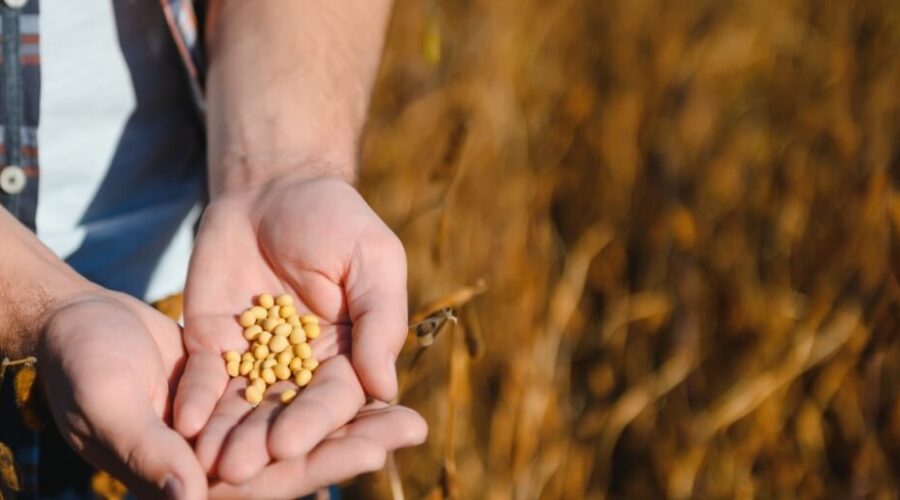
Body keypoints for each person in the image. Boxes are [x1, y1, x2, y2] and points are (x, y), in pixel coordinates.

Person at [0, 0, 427, 498]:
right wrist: (31, 298)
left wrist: (281, 172)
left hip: (191, 313)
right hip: (127, 336)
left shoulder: (246, 323)